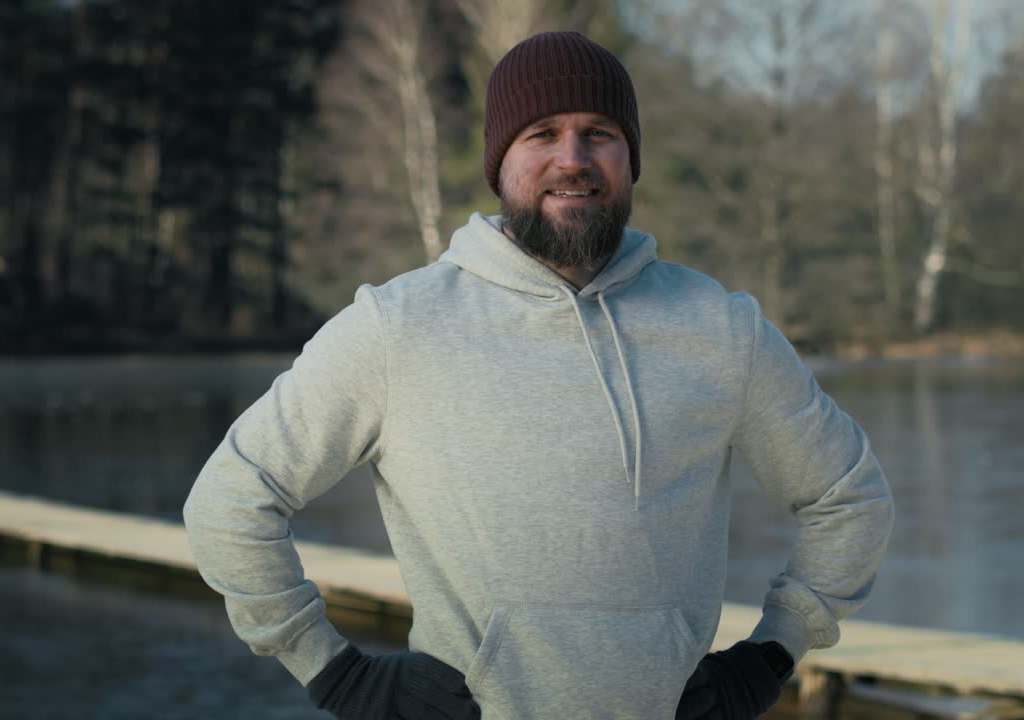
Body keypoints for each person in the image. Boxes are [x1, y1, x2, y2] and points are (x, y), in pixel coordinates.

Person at [184, 30, 894, 720]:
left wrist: (771, 654)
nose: (573, 158)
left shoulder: (720, 328)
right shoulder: (397, 328)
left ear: (631, 157)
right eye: (542, 133)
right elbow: (230, 503)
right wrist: (337, 675)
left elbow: (849, 498)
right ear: (500, 162)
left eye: (599, 133)